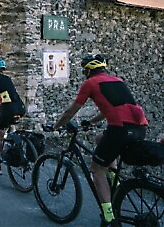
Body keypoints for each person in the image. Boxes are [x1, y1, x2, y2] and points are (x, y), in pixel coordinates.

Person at [53, 54, 148, 227]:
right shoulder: (117, 81)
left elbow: (71, 111)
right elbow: (110, 108)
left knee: (96, 169)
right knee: (99, 139)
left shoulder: (90, 83)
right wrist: (91, 122)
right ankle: (116, 184)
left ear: (88, 70)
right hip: (140, 128)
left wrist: (57, 126)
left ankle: (109, 216)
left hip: (120, 129)